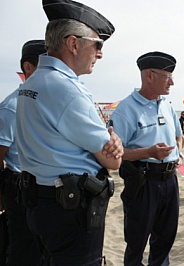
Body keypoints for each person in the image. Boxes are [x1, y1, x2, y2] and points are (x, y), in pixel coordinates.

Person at [15, 0, 123, 264]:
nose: (100, 54)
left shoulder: (34, 82)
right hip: (69, 211)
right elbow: (112, 159)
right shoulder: (68, 90)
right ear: (73, 44)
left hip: (41, 202)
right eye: (97, 45)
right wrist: (114, 140)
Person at [110, 51, 183, 266]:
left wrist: (176, 154)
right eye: (167, 77)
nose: (172, 82)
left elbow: (179, 134)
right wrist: (148, 152)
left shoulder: (167, 105)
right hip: (143, 182)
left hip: (170, 180)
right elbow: (115, 153)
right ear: (149, 75)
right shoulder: (126, 109)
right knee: (137, 241)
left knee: (165, 239)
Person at [0, 39, 46, 266]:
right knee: (24, 247)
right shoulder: (11, 106)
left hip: (46, 184)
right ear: (28, 68)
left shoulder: (48, 102)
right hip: (19, 184)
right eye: (44, 65)